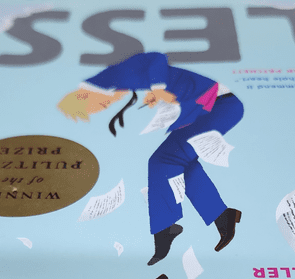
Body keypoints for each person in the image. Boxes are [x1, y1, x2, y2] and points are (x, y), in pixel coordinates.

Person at [58, 52, 243, 266]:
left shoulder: (116, 75)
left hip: (219, 105)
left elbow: (156, 58)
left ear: (86, 95)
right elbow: (162, 77)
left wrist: (158, 89)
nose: (105, 107)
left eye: (98, 107)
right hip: (210, 105)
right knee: (177, 162)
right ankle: (220, 216)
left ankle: (166, 229)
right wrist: (158, 91)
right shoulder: (115, 82)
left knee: (165, 161)